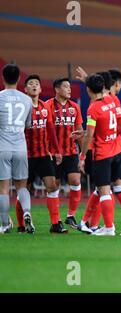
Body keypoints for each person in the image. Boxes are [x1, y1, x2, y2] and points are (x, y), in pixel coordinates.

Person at [15, 74, 67, 233]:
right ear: (25, 89)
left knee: (52, 186)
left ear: (40, 88)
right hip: (26, 156)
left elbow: (51, 130)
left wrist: (57, 150)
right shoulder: (22, 108)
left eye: (36, 83)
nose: (34, 85)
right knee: (25, 190)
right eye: (30, 84)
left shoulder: (45, 107)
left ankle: (55, 224)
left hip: (44, 155)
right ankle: (21, 225)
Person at [78, 74, 121, 236]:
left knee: (103, 190)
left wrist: (82, 156)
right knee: (110, 189)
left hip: (102, 153)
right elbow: (118, 125)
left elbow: (90, 135)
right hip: (116, 150)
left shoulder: (93, 108)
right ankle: (90, 223)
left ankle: (108, 227)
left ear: (88, 89)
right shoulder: (111, 100)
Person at [45, 78, 83, 229]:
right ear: (57, 89)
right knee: (54, 186)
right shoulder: (47, 106)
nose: (69, 89)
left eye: (69, 86)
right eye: (66, 87)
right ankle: (56, 221)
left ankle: (71, 215)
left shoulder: (74, 107)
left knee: (75, 181)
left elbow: (80, 131)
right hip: (53, 153)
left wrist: (83, 155)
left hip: (71, 151)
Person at [0, 64, 33, 234]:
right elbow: (28, 125)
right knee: (22, 186)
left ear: (3, 77)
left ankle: (5, 224)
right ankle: (27, 212)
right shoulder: (27, 99)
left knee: (3, 188)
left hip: (2, 147)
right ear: (19, 78)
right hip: (20, 147)